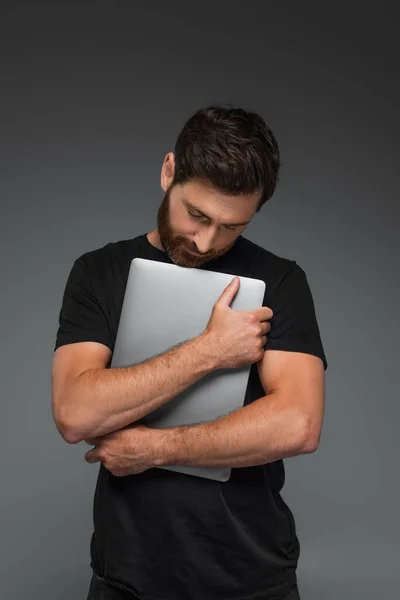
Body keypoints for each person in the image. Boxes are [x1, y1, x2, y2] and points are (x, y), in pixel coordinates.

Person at [52, 105, 327, 600]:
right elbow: (75, 413)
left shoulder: (282, 282)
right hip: (126, 579)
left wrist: (156, 449)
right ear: (168, 171)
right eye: (196, 215)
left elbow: (298, 425)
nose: (206, 240)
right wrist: (210, 350)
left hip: (253, 579)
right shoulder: (98, 272)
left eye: (231, 227)